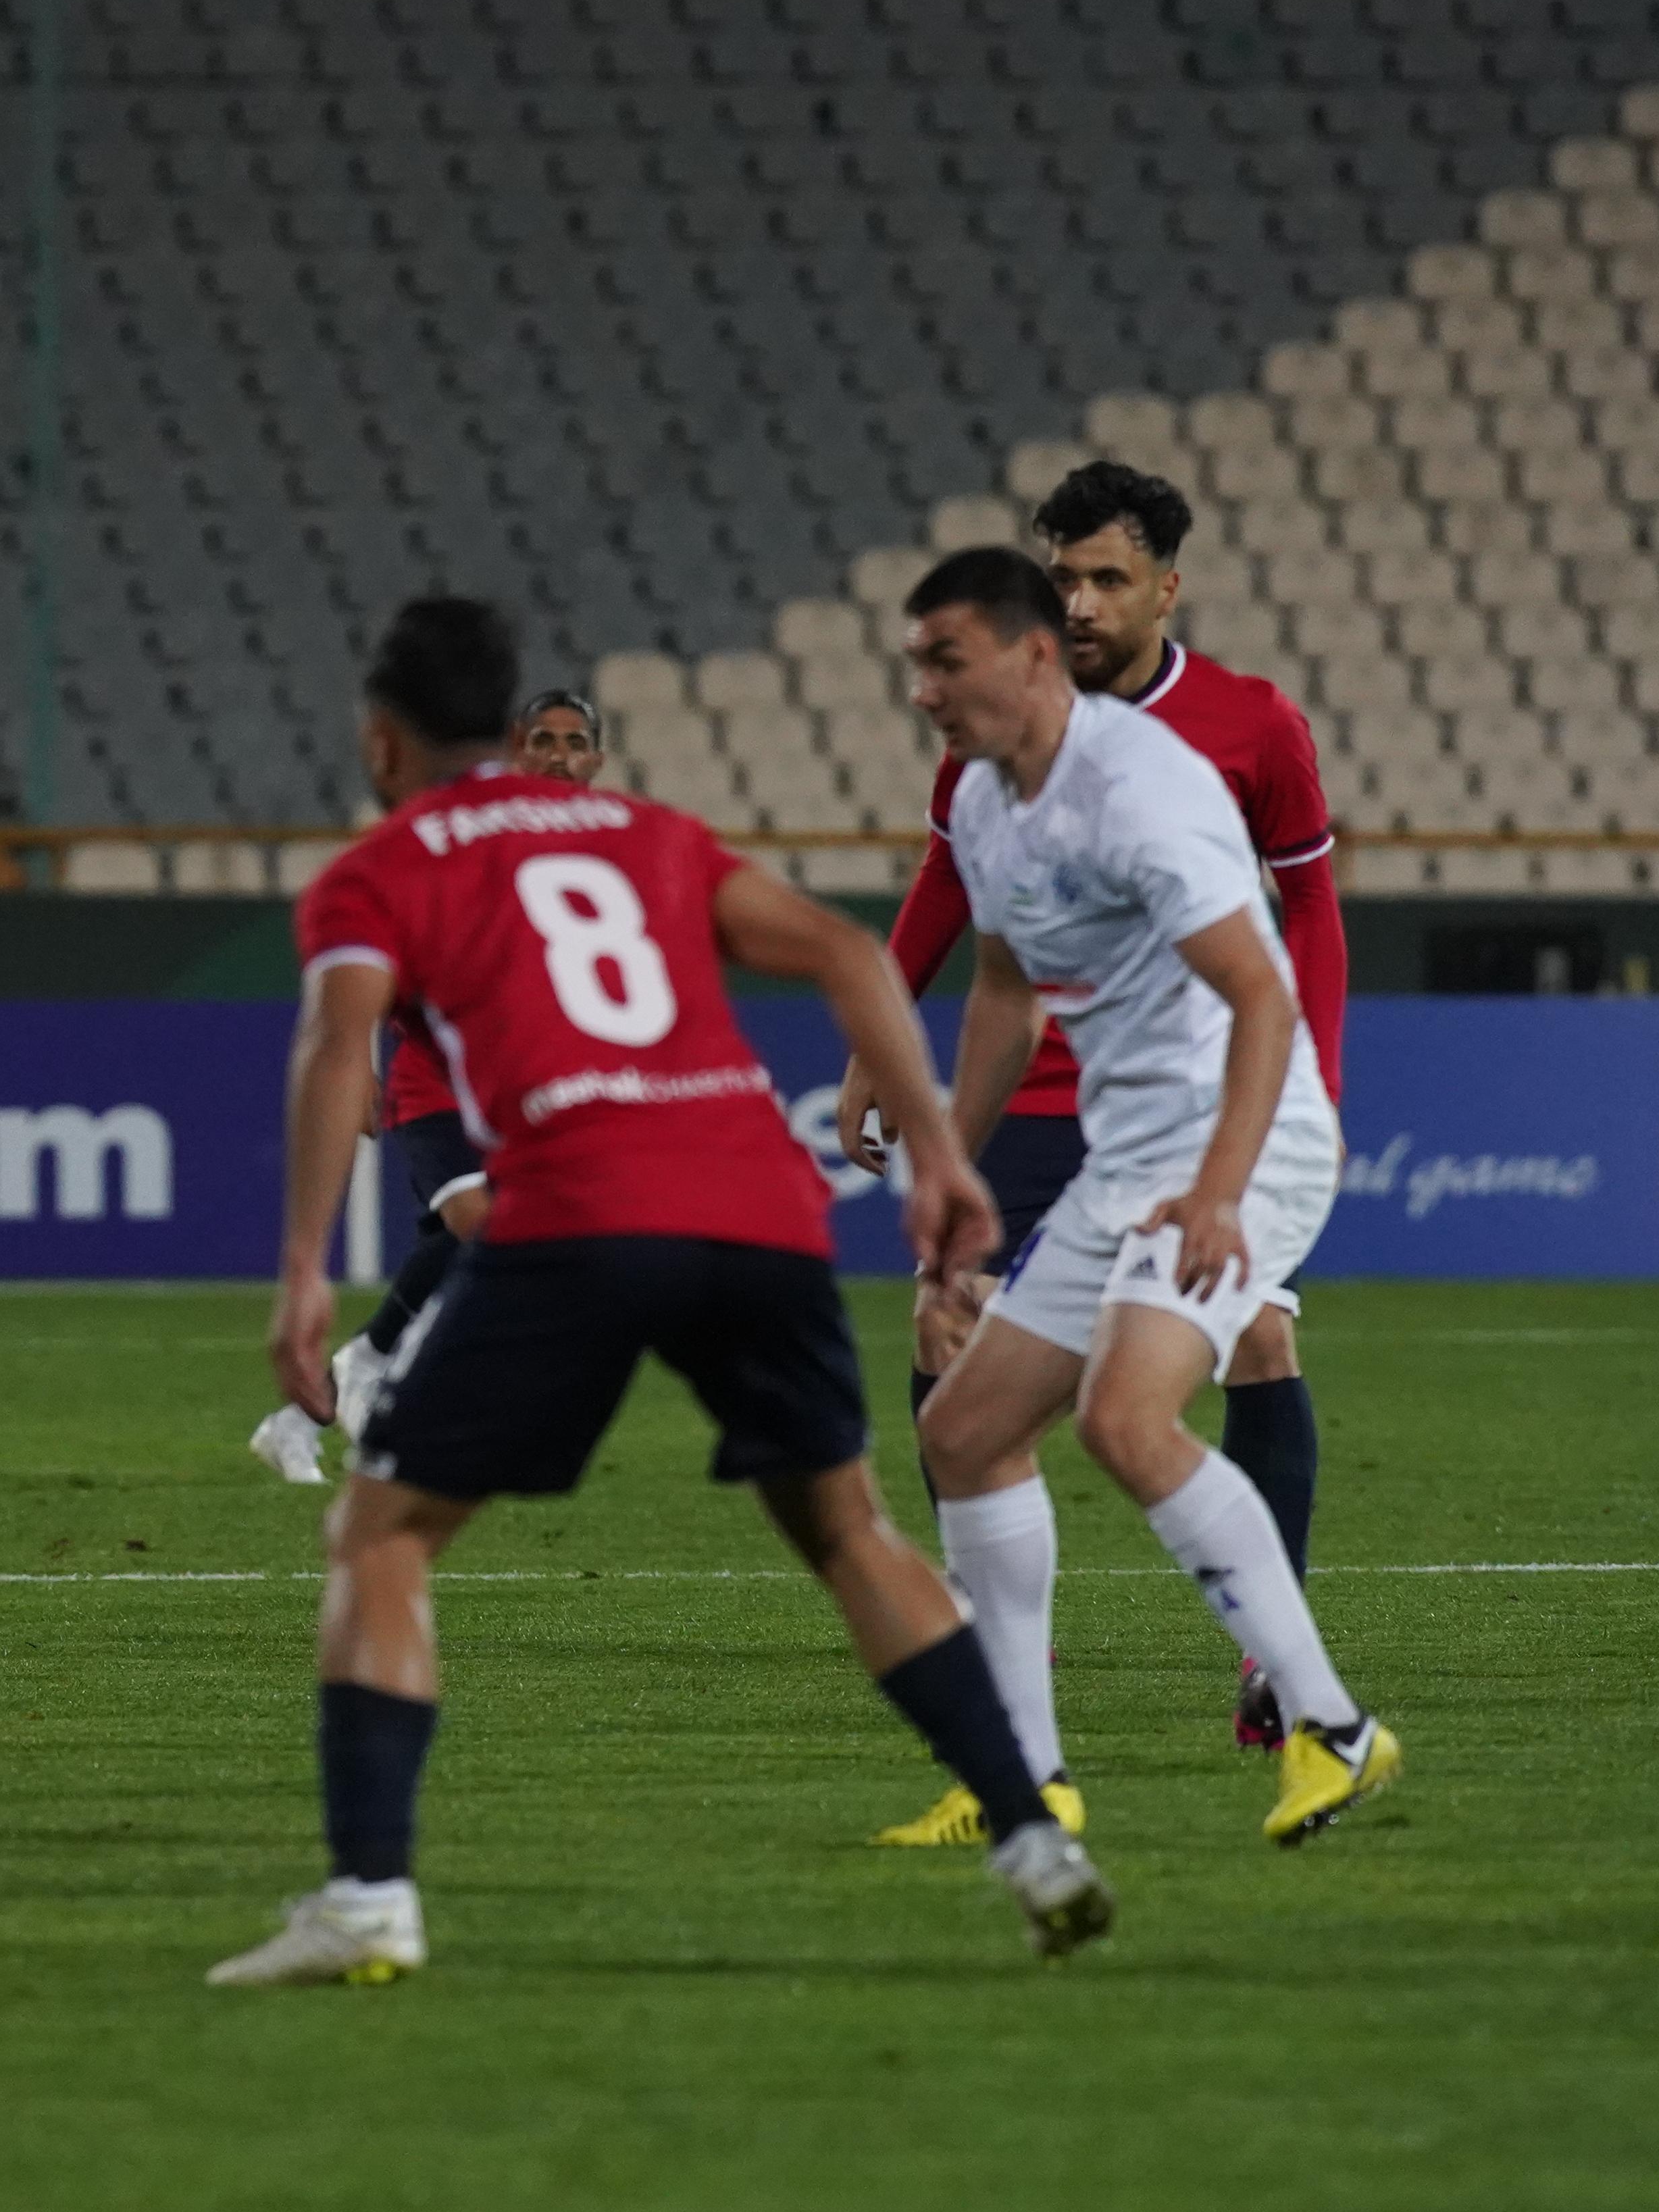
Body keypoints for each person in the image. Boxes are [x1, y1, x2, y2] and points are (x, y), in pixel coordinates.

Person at [213, 596, 1108, 1988]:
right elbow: (850, 954)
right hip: (757, 1201)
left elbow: (338, 1054)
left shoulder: (375, 874)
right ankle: (1034, 1839)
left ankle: (370, 1897)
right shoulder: (645, 833)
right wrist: (940, 1155)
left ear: (383, 741)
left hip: (578, 1207)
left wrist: (301, 1274)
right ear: (510, 721)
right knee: (850, 1528)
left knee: (381, 1536)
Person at [870, 550, 1398, 1850]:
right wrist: (952, 1166)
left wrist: (1220, 1195)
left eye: (947, 661)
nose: (924, 689)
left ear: (1029, 656)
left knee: (1123, 1416)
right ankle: (1026, 1783)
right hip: (1129, 1159)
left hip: (1247, 1142)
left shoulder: (1141, 791)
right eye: (918, 665)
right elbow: (1005, 996)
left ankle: (1332, 1728)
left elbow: (1261, 994)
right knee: (965, 1431)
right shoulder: (985, 798)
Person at [251, 686, 605, 1484]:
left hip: (520, 1084)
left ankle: (305, 1414)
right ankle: (379, 1368)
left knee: (479, 1240)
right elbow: (386, 934)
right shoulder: (468, 838)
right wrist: (359, 1049)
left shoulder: (600, 853)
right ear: (514, 752)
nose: (558, 755)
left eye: (574, 742)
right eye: (542, 740)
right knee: (481, 1223)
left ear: (598, 760)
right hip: (436, 1077)